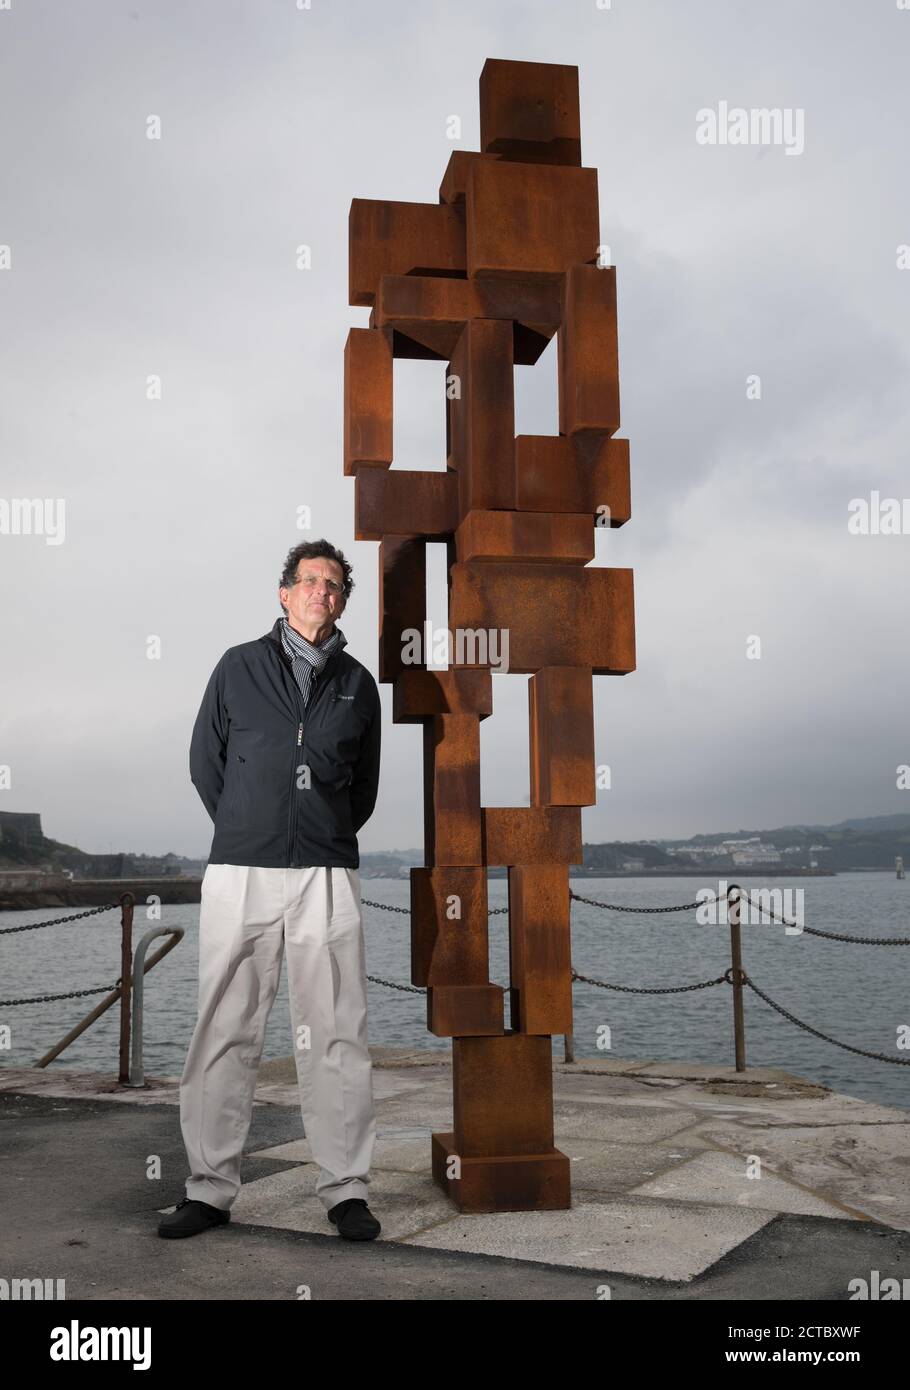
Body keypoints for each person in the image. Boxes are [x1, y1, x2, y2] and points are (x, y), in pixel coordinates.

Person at [158, 539, 382, 1242]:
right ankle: (209, 1189)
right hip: (241, 872)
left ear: (343, 601)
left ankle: (346, 1190)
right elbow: (205, 765)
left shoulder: (357, 684)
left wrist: (318, 829)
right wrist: (251, 825)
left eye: (335, 585)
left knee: (338, 1031)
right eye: (311, 581)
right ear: (284, 594)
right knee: (224, 1027)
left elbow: (363, 789)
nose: (322, 592)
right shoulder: (237, 667)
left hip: (325, 872)